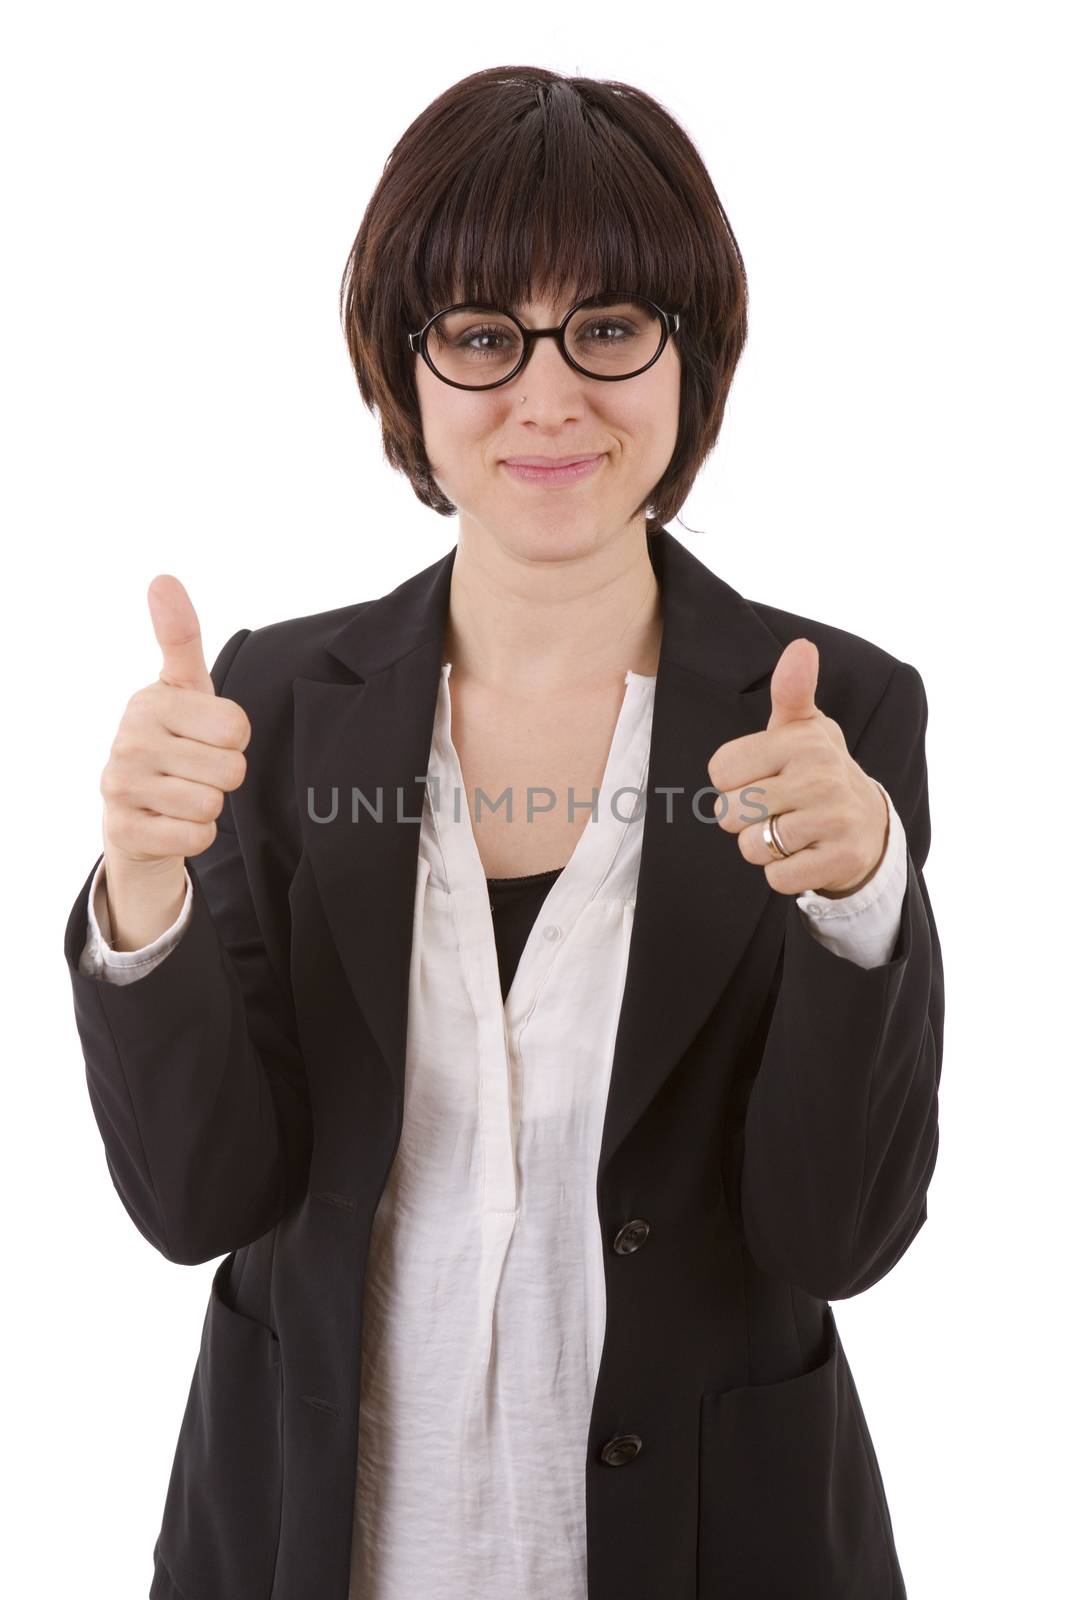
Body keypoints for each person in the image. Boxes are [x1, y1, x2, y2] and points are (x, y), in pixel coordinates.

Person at [62, 65, 943, 1600]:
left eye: (608, 329)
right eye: (481, 336)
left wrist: (862, 895)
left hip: (714, 1545)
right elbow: (201, 1201)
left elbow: (839, 1235)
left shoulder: (832, 715)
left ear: (695, 357)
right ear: (403, 372)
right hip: (312, 1540)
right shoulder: (272, 699)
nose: (548, 398)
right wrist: (144, 893)